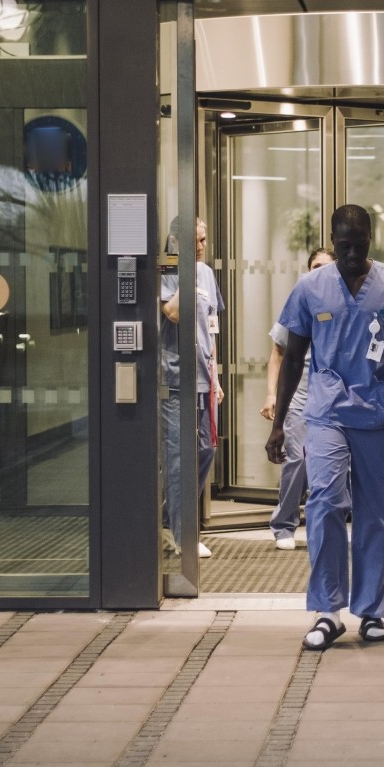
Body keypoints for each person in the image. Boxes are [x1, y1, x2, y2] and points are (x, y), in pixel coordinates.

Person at [267, 205, 384, 651]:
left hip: (376, 413)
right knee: (324, 503)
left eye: (360, 244)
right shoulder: (311, 288)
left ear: (372, 239)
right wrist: (278, 423)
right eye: (344, 245)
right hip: (326, 413)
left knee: (377, 511)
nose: (353, 253)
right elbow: (293, 357)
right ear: (332, 241)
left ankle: (372, 612)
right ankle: (327, 611)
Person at [260, 248, 335, 550]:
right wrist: (271, 395)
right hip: (299, 395)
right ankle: (283, 525)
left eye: (325, 267)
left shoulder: (343, 304)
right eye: (315, 266)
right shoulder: (300, 301)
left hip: (331, 397)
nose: (319, 272)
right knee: (298, 460)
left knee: (329, 464)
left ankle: (323, 523)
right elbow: (278, 354)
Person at [162, 217, 222, 561]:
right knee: (176, 459)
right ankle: (184, 534)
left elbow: (211, 326)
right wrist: (186, 270)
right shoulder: (167, 272)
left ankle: (170, 519)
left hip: (204, 377)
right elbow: (172, 312)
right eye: (194, 241)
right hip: (175, 378)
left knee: (205, 450)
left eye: (203, 239)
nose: (201, 246)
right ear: (176, 241)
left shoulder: (208, 275)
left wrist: (217, 379)